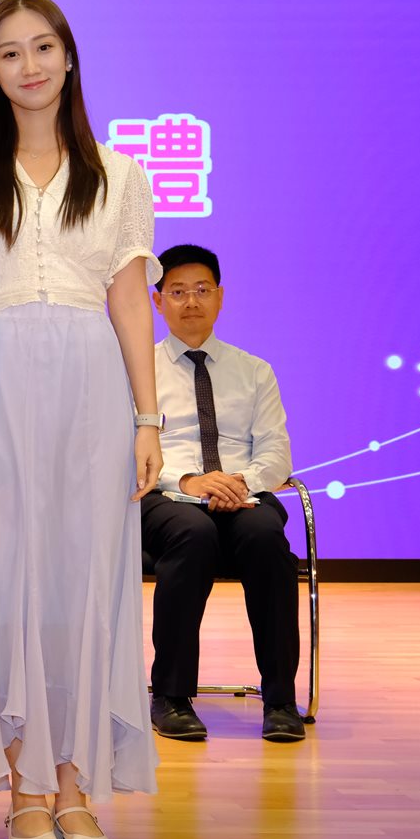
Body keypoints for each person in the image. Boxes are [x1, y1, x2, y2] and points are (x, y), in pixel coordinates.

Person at [0, 0, 163, 839]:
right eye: (10, 53)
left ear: (69, 57)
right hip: (2, 384)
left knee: (84, 579)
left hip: (94, 386)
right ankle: (23, 789)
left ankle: (75, 784)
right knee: (2, 574)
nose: (30, 65)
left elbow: (129, 302)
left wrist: (148, 418)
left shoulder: (121, 175)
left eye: (43, 47)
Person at [143, 244, 304, 743]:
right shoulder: (137, 370)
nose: (191, 301)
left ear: (220, 297)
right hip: (166, 497)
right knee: (192, 533)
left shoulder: (254, 370)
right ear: (157, 301)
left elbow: (276, 453)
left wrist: (238, 484)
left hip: (242, 495)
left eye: (202, 290)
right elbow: (124, 447)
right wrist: (187, 481)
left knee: (265, 538)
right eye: (177, 292)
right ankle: (171, 696)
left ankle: (280, 700)